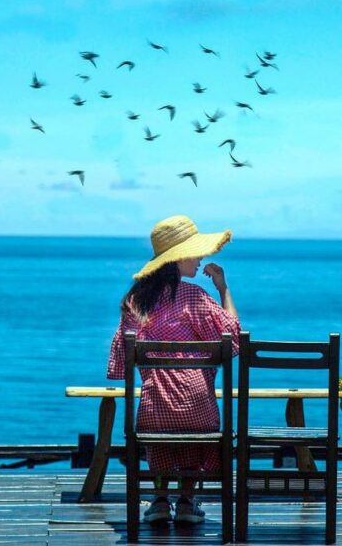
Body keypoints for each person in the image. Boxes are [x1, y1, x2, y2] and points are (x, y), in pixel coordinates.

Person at [107, 215, 240, 525]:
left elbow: (122, 356)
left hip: (154, 410)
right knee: (194, 423)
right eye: (195, 252)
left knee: (159, 419)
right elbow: (233, 337)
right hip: (200, 409)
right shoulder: (195, 297)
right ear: (179, 257)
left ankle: (160, 500)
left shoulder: (134, 301)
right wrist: (223, 288)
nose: (201, 258)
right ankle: (187, 501)